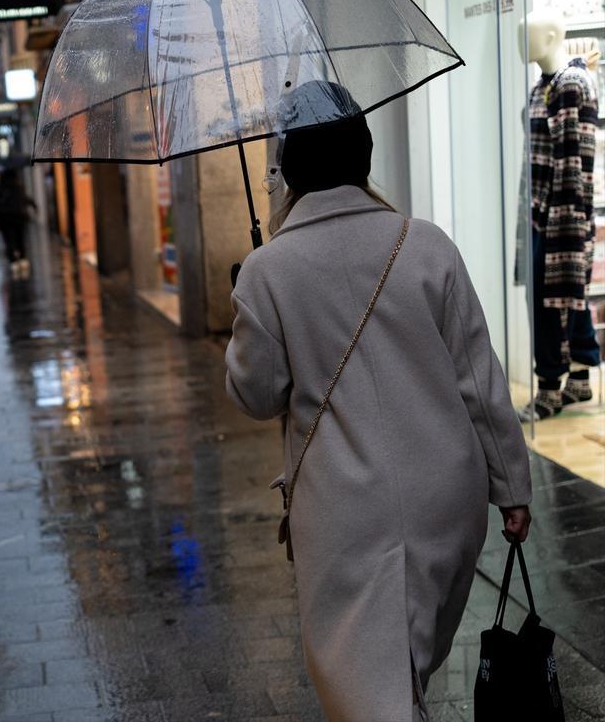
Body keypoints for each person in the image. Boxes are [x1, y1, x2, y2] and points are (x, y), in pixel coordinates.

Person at [224, 82, 532, 722]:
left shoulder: (268, 270)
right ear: (362, 157)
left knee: (371, 691)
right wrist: (512, 487)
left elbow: (257, 394)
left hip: (344, 514)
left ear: (292, 168)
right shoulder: (426, 244)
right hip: (447, 497)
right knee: (406, 666)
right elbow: (478, 376)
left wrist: (249, 304)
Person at [0, 170, 36, 278]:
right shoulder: (18, 186)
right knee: (20, 238)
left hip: (5, 219)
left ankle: (14, 261)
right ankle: (23, 259)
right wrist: (34, 205)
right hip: (19, 217)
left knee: (9, 240)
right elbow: (25, 199)